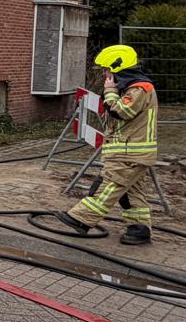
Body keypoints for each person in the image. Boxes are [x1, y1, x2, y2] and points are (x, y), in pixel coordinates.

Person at [55, 44, 160, 245]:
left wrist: (110, 91)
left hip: (129, 154)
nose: (105, 74)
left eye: (107, 70)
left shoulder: (140, 89)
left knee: (107, 187)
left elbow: (121, 112)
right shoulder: (130, 88)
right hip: (129, 153)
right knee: (131, 193)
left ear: (117, 67)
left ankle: (81, 219)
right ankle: (139, 229)